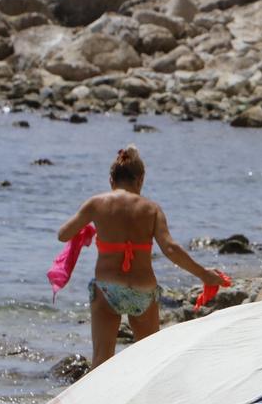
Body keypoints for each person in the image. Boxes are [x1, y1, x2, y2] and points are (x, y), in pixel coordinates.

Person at [56, 147, 218, 365]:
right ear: (140, 179)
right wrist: (204, 274)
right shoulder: (152, 209)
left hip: (107, 291)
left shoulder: (96, 204)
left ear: (111, 179)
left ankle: (103, 399)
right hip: (143, 291)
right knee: (150, 360)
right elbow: (170, 248)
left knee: (102, 360)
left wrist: (88, 227)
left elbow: (63, 234)